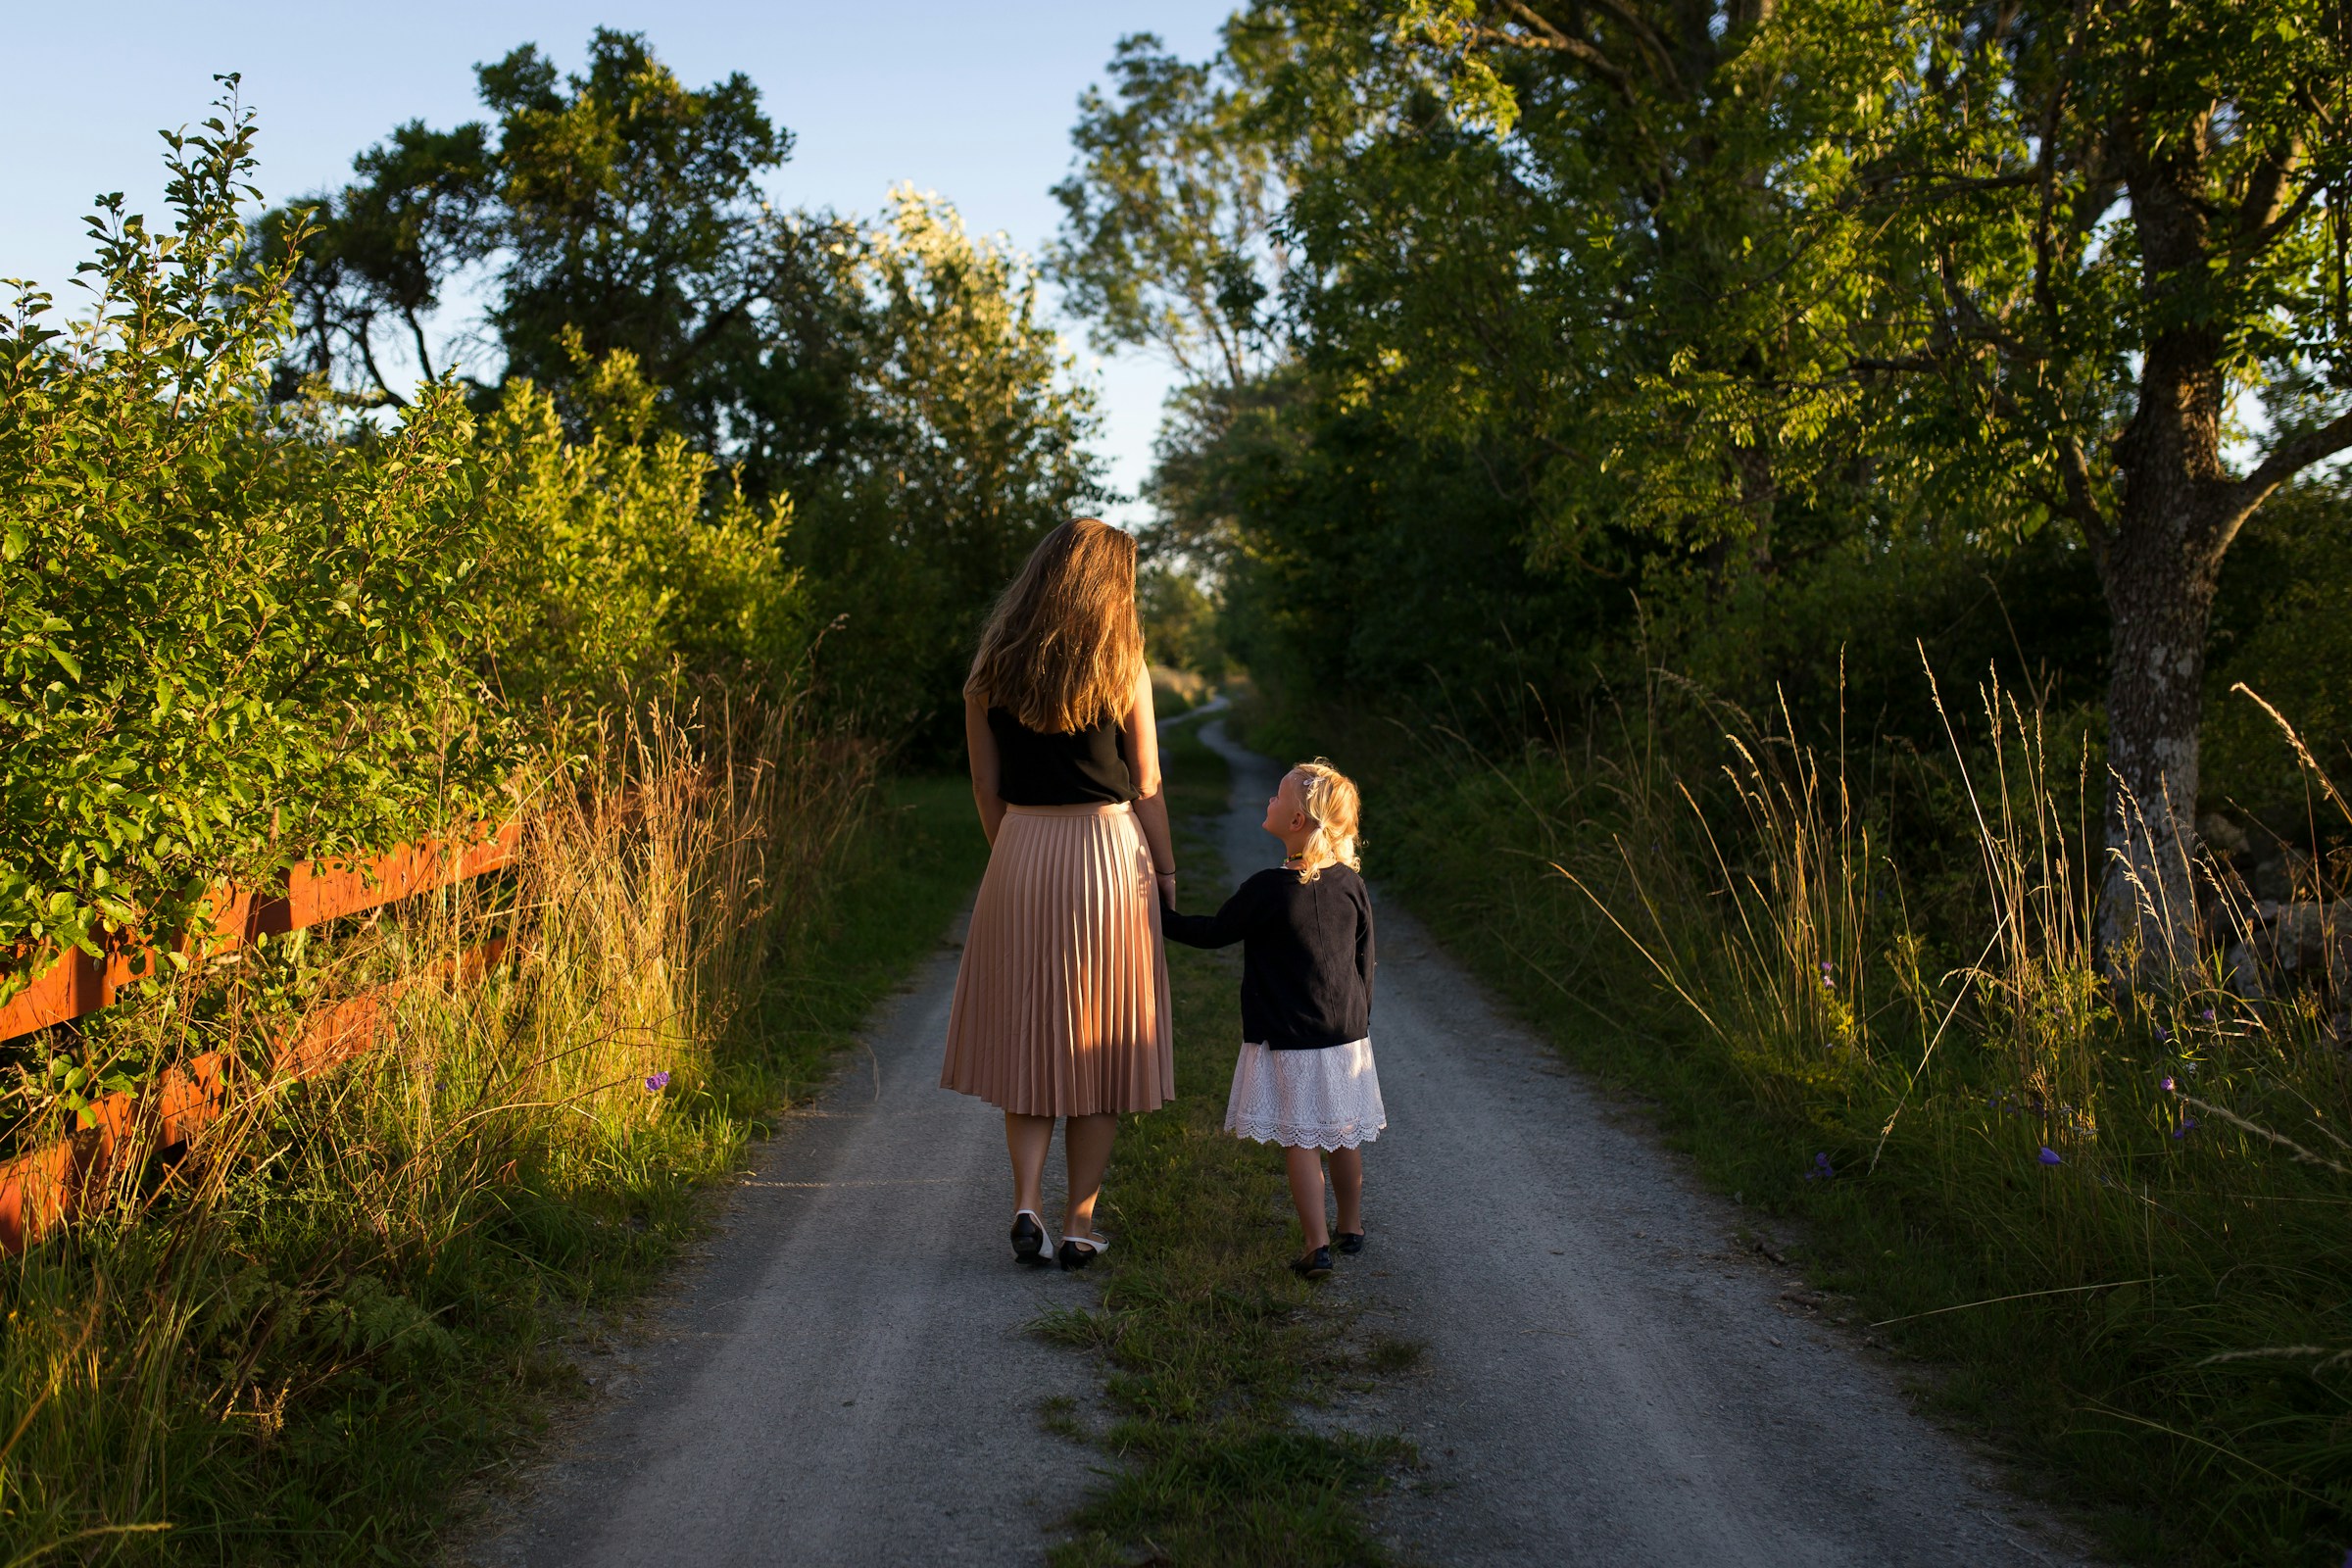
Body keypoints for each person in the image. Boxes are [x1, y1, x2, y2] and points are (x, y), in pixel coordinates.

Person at [941, 518, 1177, 1270]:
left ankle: (1025, 1205)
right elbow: (1145, 784)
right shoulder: (1122, 663)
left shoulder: (990, 667)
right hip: (1107, 854)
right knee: (1100, 1042)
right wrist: (1166, 873)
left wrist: (1012, 851)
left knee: (1031, 1039)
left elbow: (984, 784)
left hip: (1021, 849)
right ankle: (1079, 1223)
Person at [1159, 759, 1383, 1279]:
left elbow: (1213, 932)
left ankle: (1315, 1246)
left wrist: (1156, 914)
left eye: (1277, 796)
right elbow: (1364, 958)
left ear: (1298, 821)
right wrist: (1359, 1021)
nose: (1269, 800)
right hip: (1346, 1034)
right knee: (1343, 1133)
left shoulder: (1266, 889)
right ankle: (1352, 1227)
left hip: (1290, 1034)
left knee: (1301, 1139)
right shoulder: (1350, 882)